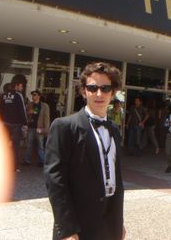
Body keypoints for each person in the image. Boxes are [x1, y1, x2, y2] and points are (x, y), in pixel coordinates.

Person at [44, 62, 125, 240]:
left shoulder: (114, 129)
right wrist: (66, 228)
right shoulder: (64, 126)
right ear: (83, 91)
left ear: (113, 93)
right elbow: (55, 180)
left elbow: (116, 178)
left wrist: (119, 222)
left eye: (105, 88)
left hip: (110, 223)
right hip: (78, 224)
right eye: (92, 87)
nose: (99, 94)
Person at [0, 74, 28, 171]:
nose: (22, 88)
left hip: (5, 124)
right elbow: (22, 110)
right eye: (22, 86)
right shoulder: (18, 95)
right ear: (17, 85)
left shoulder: (3, 95)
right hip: (16, 125)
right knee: (15, 146)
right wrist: (25, 123)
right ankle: (14, 167)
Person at [23, 90, 50, 166]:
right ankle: (27, 160)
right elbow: (24, 114)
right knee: (29, 144)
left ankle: (42, 161)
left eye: (34, 95)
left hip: (39, 128)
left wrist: (45, 129)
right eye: (32, 95)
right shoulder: (29, 104)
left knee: (40, 145)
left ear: (39, 96)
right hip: (31, 127)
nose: (33, 96)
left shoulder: (45, 106)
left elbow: (47, 118)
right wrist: (29, 112)